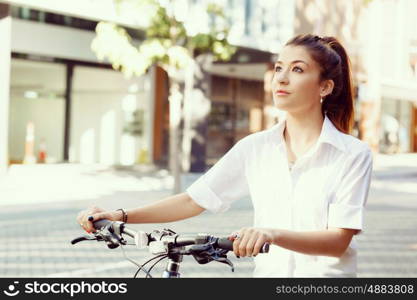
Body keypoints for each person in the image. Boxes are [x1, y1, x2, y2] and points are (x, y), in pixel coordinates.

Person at [77, 34, 373, 277]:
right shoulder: (255, 148)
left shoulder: (352, 155)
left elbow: (337, 241)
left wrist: (271, 234)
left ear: (325, 86)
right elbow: (194, 200)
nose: (281, 79)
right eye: (279, 68)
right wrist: (121, 215)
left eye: (297, 69)